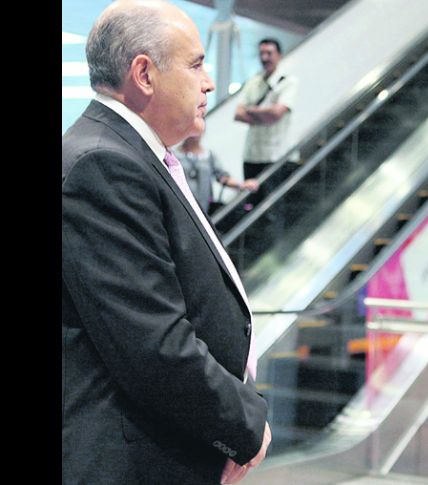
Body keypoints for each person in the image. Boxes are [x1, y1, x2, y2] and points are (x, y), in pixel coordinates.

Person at [62, 2, 270, 484]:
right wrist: (245, 424)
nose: (210, 82)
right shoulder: (104, 164)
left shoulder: (131, 156)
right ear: (144, 74)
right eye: (196, 64)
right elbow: (152, 342)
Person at [234, 38, 299, 225]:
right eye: (262, 53)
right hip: (252, 155)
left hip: (276, 156)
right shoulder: (253, 82)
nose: (265, 57)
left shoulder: (288, 82)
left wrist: (252, 111)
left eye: (269, 53)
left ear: (279, 55)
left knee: (274, 209)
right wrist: (265, 114)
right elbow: (238, 114)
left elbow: (277, 114)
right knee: (253, 208)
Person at [174, 135, 259, 215]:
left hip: (203, 205)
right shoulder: (173, 155)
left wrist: (241, 185)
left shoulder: (209, 155)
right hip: (180, 203)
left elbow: (222, 176)